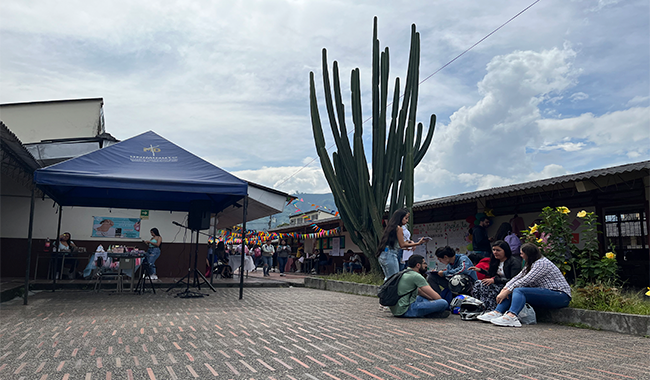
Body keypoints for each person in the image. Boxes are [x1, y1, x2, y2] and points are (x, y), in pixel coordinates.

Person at [477, 243, 572, 327]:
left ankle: (512, 316)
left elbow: (526, 280)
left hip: (560, 295)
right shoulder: (531, 263)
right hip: (546, 293)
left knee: (519, 290)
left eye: (522, 253)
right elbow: (518, 277)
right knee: (512, 290)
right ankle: (497, 312)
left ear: (528, 254)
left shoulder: (542, 264)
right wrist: (505, 289)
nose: (520, 255)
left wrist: (507, 290)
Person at [389, 254, 450, 318]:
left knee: (424, 298)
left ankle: (430, 313)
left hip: (397, 309)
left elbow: (420, 291)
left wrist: (431, 299)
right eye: (424, 263)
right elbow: (435, 296)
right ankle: (431, 313)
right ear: (418, 265)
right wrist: (438, 303)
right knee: (443, 303)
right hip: (406, 310)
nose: (426, 266)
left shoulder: (404, 272)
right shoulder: (416, 276)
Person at [469, 240, 522, 311]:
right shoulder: (495, 261)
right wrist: (480, 270)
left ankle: (491, 308)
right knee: (478, 283)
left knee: (486, 287)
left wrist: (494, 280)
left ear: (505, 251)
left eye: (498, 250)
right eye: (493, 250)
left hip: (508, 287)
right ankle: (478, 306)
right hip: (498, 283)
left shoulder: (514, 262)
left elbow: (514, 279)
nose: (495, 252)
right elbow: (492, 274)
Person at [376, 208, 427, 280]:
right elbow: (402, 244)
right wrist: (417, 243)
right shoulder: (399, 228)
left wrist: (407, 246)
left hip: (383, 254)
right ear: (400, 218)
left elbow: (397, 245)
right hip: (391, 254)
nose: (407, 220)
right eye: (406, 218)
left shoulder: (391, 227)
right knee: (395, 279)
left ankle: (384, 290)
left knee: (388, 278)